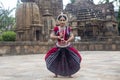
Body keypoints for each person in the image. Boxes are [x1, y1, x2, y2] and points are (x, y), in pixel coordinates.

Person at [45, 12, 82, 78]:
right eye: (61, 20)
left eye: (63, 20)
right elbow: (51, 36)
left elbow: (72, 36)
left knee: (71, 58)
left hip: (67, 45)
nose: (62, 21)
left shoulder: (68, 28)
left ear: (65, 21)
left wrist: (67, 40)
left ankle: (70, 73)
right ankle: (56, 72)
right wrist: (58, 37)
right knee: (55, 59)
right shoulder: (56, 28)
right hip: (58, 46)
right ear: (58, 21)